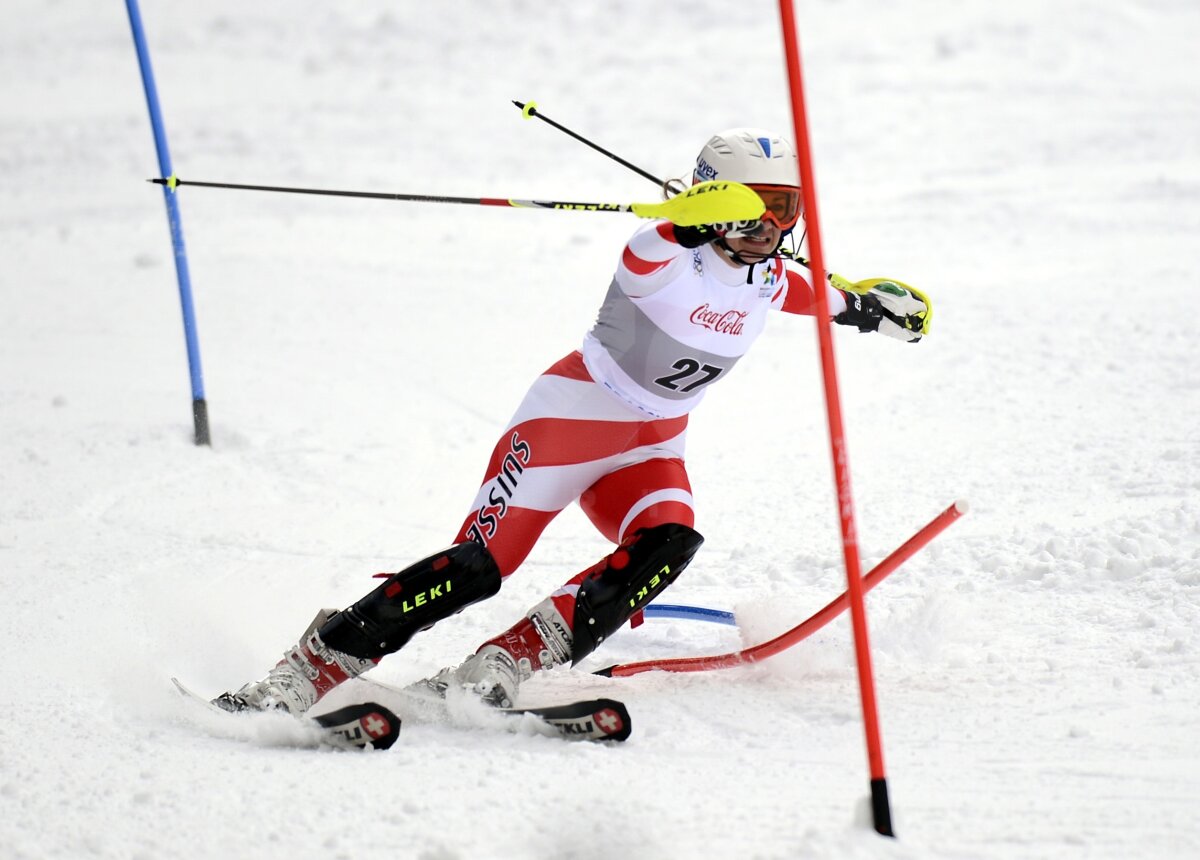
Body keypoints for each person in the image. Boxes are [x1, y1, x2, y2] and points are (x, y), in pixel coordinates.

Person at [213, 127, 931, 716]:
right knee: (478, 567)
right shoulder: (663, 260)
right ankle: (310, 667)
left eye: (788, 208)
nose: (774, 228)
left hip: (650, 447)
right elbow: (653, 246)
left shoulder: (770, 277)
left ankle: (508, 661)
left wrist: (872, 308)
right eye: (759, 207)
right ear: (716, 203)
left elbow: (817, 297)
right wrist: (694, 219)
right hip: (572, 420)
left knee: (668, 542)